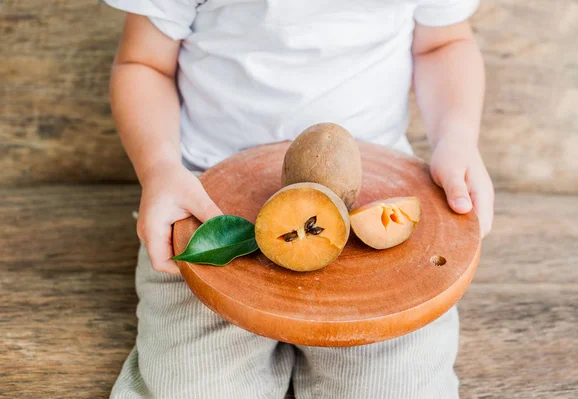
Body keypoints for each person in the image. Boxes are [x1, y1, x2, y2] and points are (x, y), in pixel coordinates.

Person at [105, 0, 494, 397]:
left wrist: (457, 138)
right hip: (204, 203)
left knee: (396, 386)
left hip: (376, 202)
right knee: (192, 386)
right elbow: (144, 63)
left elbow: (442, 44)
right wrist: (159, 168)